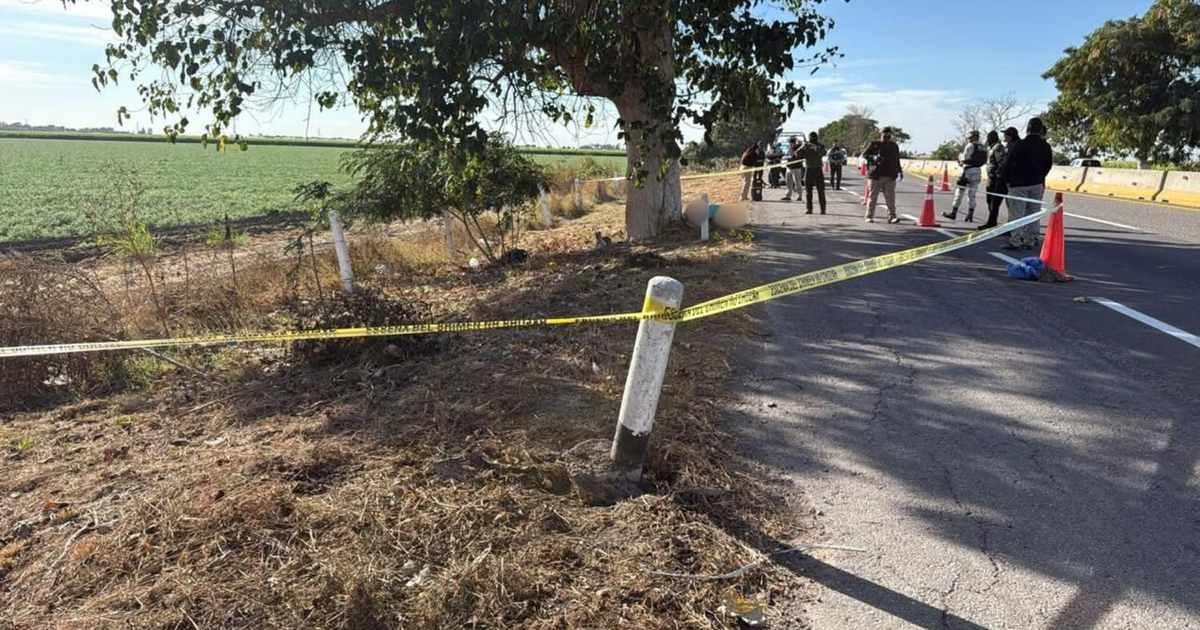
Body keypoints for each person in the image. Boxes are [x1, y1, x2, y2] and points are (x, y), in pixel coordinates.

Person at [999, 118, 1053, 249]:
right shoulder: (1045, 146)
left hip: (1019, 183)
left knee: (1017, 213)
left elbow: (1008, 163)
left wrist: (1005, 180)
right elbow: (1048, 165)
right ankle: (1030, 240)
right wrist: (1040, 177)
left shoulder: (1020, 144)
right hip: (1036, 183)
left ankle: (1015, 241)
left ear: (1028, 129)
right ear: (1041, 130)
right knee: (1033, 213)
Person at [978, 128, 1017, 230]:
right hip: (991, 178)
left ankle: (992, 223)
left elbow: (1001, 162)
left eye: (990, 137)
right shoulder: (991, 147)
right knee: (990, 201)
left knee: (994, 202)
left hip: (996, 179)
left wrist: (997, 175)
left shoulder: (998, 147)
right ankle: (991, 221)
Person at [861, 127, 903, 223]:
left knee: (891, 198)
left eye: (889, 136)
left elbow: (897, 159)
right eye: (885, 136)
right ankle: (869, 216)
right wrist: (874, 157)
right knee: (873, 197)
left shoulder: (894, 146)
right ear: (880, 135)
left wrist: (899, 171)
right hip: (876, 175)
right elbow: (865, 155)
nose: (886, 139)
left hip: (890, 175)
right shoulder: (874, 145)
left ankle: (892, 216)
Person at [944, 130, 987, 222]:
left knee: (959, 192)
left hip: (967, 172)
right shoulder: (983, 147)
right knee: (972, 194)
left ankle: (953, 212)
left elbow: (964, 159)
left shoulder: (970, 146)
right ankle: (970, 214)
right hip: (977, 172)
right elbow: (984, 160)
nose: (968, 139)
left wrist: (959, 160)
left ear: (974, 137)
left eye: (970, 137)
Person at [800, 132, 828, 214]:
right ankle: (809, 208)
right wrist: (802, 147)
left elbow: (824, 153)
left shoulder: (820, 146)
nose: (812, 140)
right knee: (808, 191)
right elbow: (798, 155)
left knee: (821, 190)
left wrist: (816, 148)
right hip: (809, 169)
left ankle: (823, 209)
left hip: (818, 169)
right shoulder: (806, 146)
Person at [782, 136, 804, 202]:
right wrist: (787, 157)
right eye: (789, 143)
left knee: (797, 183)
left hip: (796, 168)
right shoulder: (789, 149)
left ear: (794, 143)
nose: (790, 144)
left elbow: (798, 154)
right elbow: (785, 156)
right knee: (788, 182)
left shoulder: (798, 149)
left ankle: (799, 195)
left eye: (791, 143)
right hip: (789, 167)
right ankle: (788, 195)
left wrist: (799, 143)